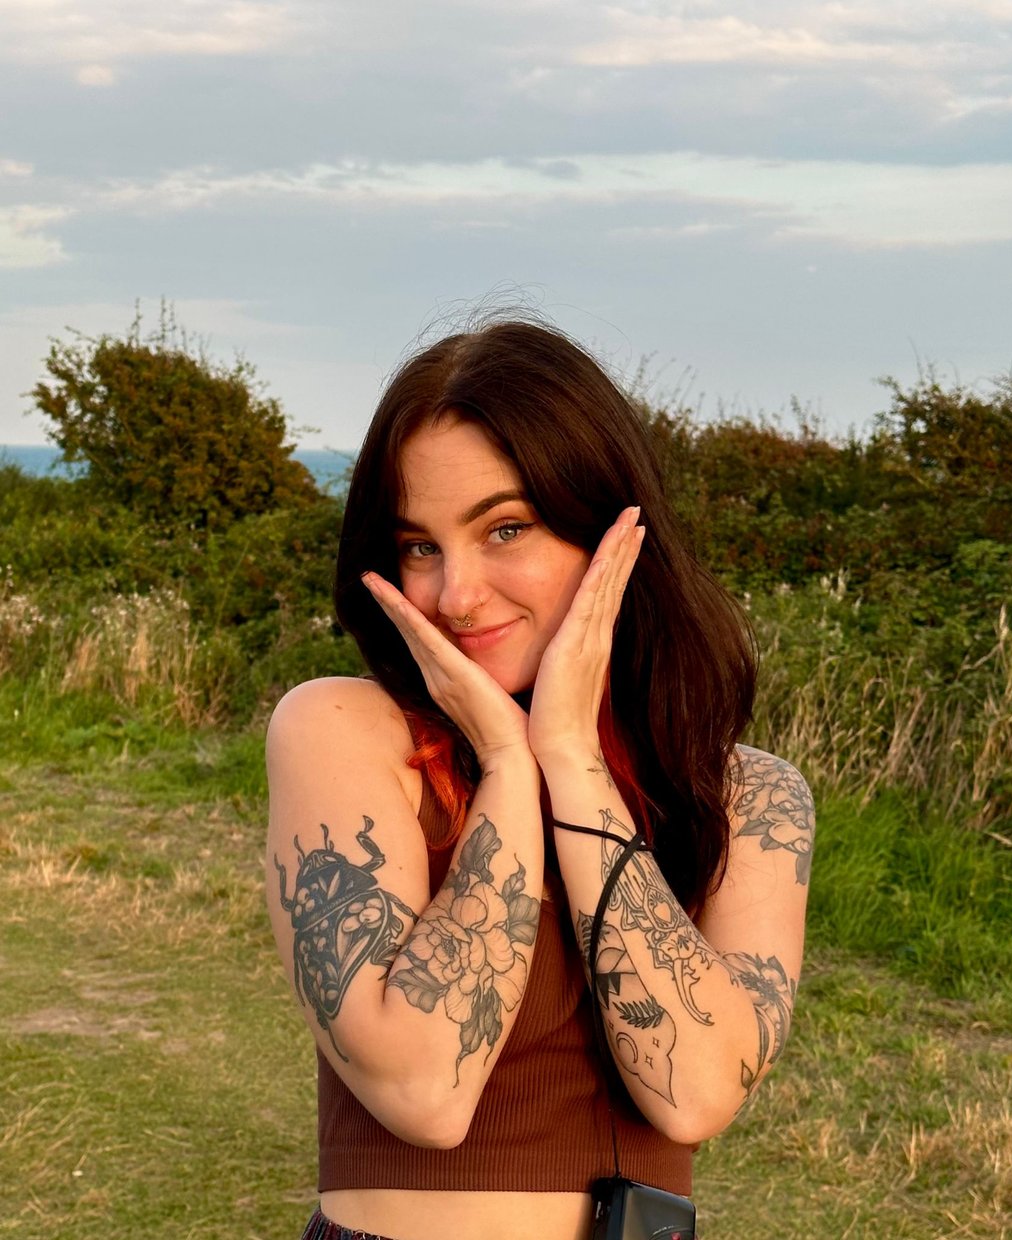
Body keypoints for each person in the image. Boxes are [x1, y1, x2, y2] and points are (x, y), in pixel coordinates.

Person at [265, 319, 814, 1240]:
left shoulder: (751, 796)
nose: (456, 595)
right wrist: (512, 767)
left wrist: (570, 757)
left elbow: (696, 1094)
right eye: (418, 546)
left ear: (609, 527)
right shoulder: (345, 732)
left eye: (505, 528)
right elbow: (423, 1089)